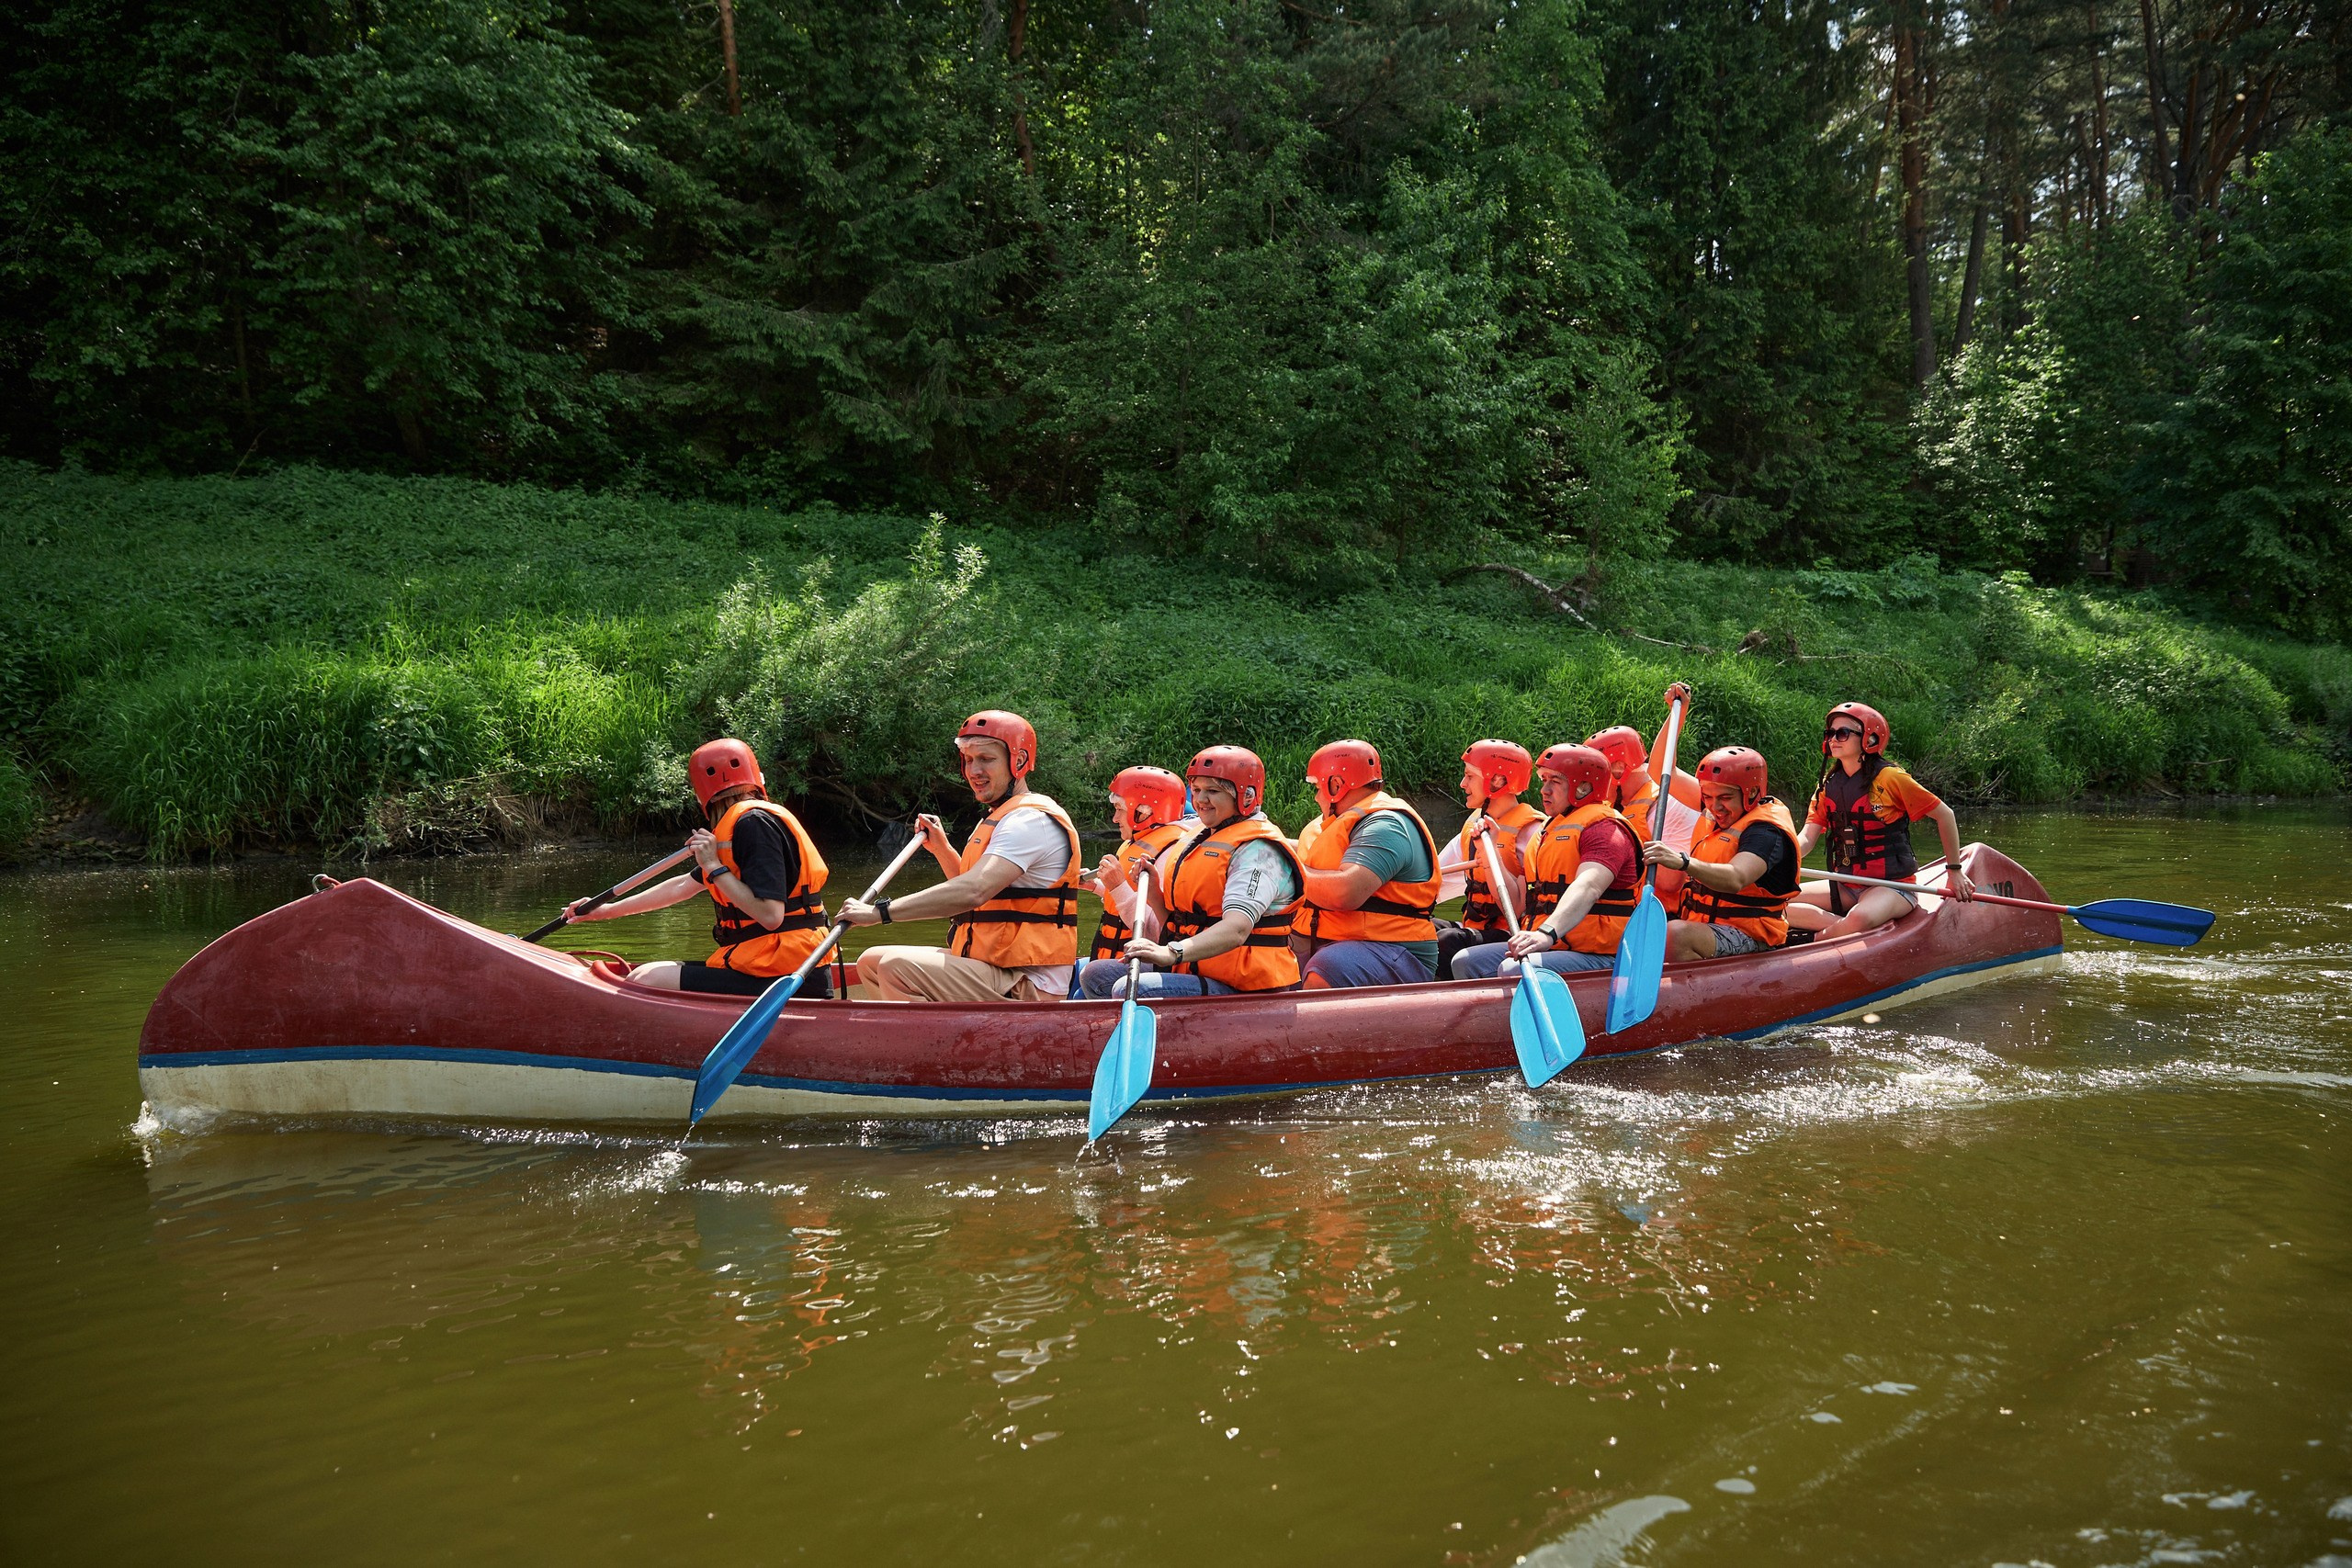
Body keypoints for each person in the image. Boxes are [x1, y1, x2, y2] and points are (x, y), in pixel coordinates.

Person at [841, 710, 1081, 1002]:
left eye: (986, 759)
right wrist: (943, 849)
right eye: (968, 760)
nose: (973, 771)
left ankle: (927, 1044)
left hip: (1029, 982)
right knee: (871, 961)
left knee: (896, 968)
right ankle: (928, 1038)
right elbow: (973, 896)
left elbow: (974, 891)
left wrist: (880, 913)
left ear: (1018, 762)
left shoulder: (1031, 820)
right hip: (995, 968)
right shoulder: (997, 818)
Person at [562, 738, 831, 996]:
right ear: (756, 780)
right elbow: (681, 886)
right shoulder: (742, 826)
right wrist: (606, 911)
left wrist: (714, 867)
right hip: (767, 966)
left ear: (701, 794)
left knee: (648, 978)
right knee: (645, 974)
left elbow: (771, 917)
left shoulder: (754, 825)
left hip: (792, 976)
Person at [1102, 746, 1305, 998]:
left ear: (1247, 796)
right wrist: (1155, 893)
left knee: (1131, 989)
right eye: (1196, 790)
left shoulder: (1258, 851)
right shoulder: (1197, 838)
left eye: (1213, 791)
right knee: (1097, 976)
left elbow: (1237, 930)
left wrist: (1170, 952)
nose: (1200, 800)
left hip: (1245, 988)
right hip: (1196, 970)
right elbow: (1183, 925)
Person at [1451, 743, 1643, 978]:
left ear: (1584, 787)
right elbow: (1518, 905)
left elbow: (1589, 886)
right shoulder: (1545, 831)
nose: (1544, 790)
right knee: (1466, 962)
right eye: (1543, 781)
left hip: (1603, 955)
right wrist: (1490, 857)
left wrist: (1546, 933)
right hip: (1554, 944)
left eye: (1556, 782)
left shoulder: (1605, 829)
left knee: (1513, 969)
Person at [1789, 701, 1974, 936]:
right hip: (1846, 884)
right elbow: (1807, 836)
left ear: (1870, 739)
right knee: (1777, 900)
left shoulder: (1890, 778)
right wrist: (1780, 856)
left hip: (1893, 887)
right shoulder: (1828, 786)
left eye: (1843, 733)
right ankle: (1840, 926)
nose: (1833, 739)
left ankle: (1818, 939)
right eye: (1830, 733)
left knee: (1860, 916)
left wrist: (1954, 870)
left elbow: (1945, 815)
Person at [1292, 739, 1443, 987]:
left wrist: (1284, 869)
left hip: (1392, 949)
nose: (1317, 796)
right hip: (1324, 938)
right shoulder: (1336, 822)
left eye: (1318, 787)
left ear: (1336, 785)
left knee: (1328, 967)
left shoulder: (1386, 825)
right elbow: (1308, 854)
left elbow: (1345, 893)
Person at [1641, 746, 1801, 962]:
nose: (1716, 807)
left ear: (1752, 792)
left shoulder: (1765, 832)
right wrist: (1678, 715)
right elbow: (1660, 768)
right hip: (1707, 924)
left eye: (1725, 797)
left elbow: (1736, 877)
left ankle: (1701, 991)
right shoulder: (1716, 805)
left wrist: (1682, 862)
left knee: (1676, 935)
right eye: (1707, 796)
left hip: (1752, 935)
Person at [1074, 765, 1192, 1001]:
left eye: (1119, 809)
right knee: (1078, 983)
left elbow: (1156, 930)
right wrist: (1100, 887)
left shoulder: (1170, 853)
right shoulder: (1135, 842)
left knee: (1091, 977)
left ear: (1145, 812)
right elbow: (1132, 896)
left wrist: (1117, 886)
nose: (1114, 818)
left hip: (1154, 964)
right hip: (1119, 956)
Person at [1434, 740, 1543, 980]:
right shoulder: (1472, 827)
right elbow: (1436, 884)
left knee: (1448, 942)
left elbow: (1519, 908)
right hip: (1478, 929)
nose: (1463, 784)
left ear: (1498, 781)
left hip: (1513, 935)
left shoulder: (1531, 833)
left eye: (1469, 777)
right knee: (1422, 930)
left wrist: (1490, 851)